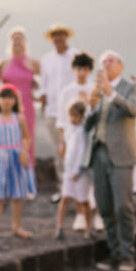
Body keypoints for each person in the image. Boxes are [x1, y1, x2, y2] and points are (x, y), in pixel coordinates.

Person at [85, 51, 136, 271]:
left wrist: (111, 94)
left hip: (121, 155)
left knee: (123, 207)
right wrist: (91, 107)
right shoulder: (98, 91)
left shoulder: (130, 87)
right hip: (98, 153)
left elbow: (133, 109)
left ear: (121, 64)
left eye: (110, 61)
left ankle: (128, 255)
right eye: (102, 62)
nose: (106, 65)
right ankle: (115, 252)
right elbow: (87, 125)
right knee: (106, 208)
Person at [0, 85, 35, 239]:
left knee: (17, 195)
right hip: (0, 159)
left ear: (15, 100)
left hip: (17, 158)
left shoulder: (19, 118)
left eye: (10, 97)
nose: (7, 101)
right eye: (3, 97)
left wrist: (24, 151)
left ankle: (16, 227)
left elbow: (27, 137)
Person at [56, 52, 102, 233]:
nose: (81, 72)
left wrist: (87, 101)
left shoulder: (93, 90)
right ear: (73, 70)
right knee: (73, 179)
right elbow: (61, 120)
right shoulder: (67, 91)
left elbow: (95, 116)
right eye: (78, 69)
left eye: (84, 69)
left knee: (89, 181)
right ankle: (80, 215)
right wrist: (62, 142)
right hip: (71, 138)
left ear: (89, 71)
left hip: (88, 141)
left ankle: (96, 215)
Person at [0, 27, 41, 180]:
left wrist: (37, 95)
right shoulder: (3, 63)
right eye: (14, 38)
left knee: (27, 139)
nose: (17, 41)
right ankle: (7, 177)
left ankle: (27, 179)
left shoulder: (33, 63)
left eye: (20, 38)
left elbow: (42, 84)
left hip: (27, 105)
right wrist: (3, 99)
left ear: (24, 41)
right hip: (8, 107)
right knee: (7, 140)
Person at [38, 23, 79, 202]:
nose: (58, 38)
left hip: (74, 113)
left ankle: (78, 190)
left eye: (61, 34)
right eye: (55, 35)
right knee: (58, 151)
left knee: (75, 149)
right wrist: (43, 107)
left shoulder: (76, 56)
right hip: (53, 112)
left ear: (66, 37)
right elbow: (43, 86)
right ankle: (63, 190)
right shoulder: (46, 60)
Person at [55, 100, 93, 240]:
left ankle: (89, 227)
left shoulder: (83, 131)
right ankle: (59, 226)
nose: (73, 119)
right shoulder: (69, 129)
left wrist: (76, 170)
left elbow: (81, 152)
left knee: (83, 200)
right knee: (65, 197)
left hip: (79, 171)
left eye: (76, 116)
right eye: (71, 115)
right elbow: (68, 149)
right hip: (69, 170)